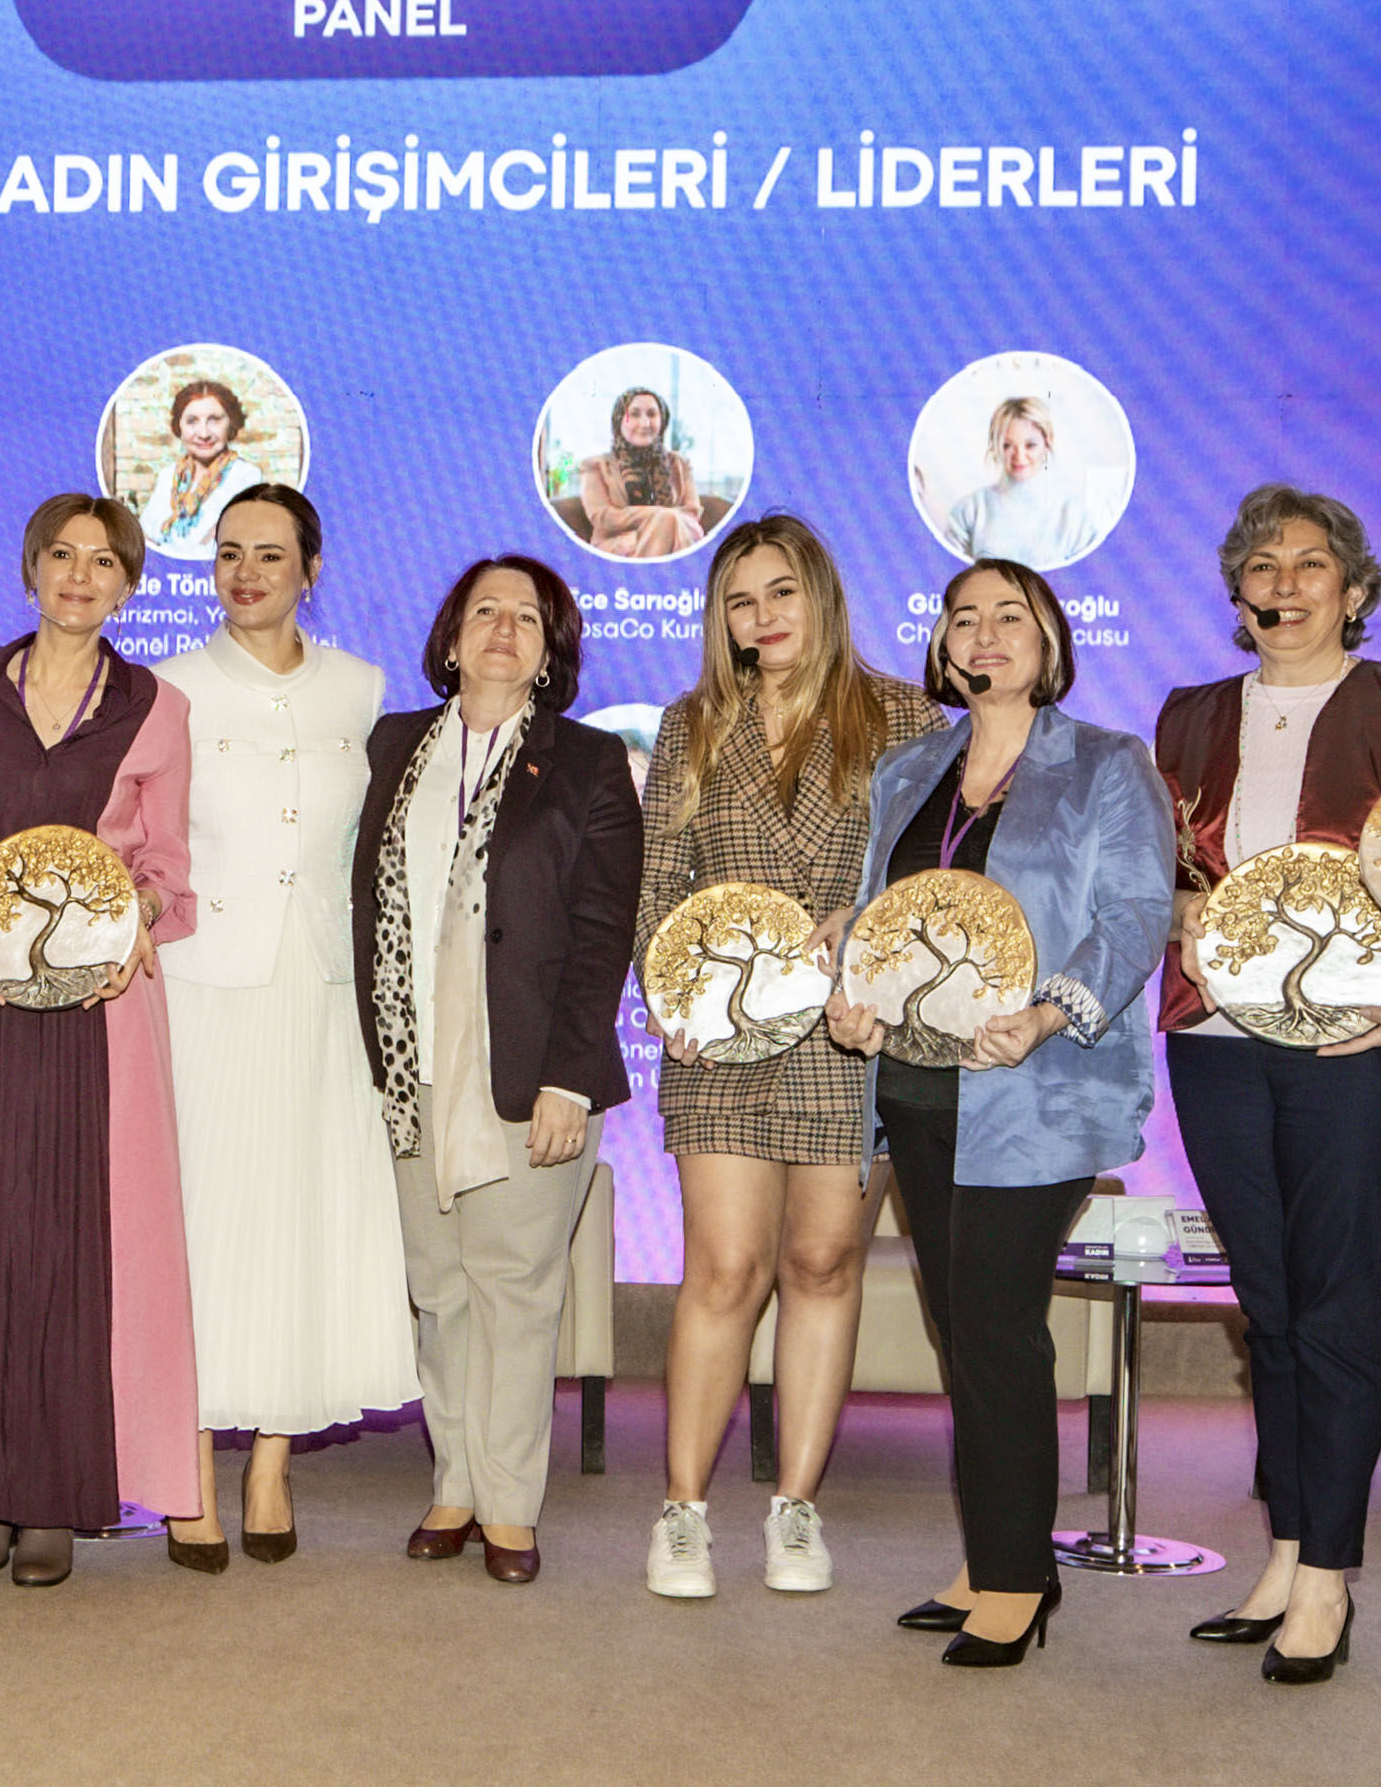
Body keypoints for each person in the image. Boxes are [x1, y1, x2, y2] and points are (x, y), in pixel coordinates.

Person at [1152, 486, 1381, 1683]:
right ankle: (1287, 1551)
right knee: (1270, 1308)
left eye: (1309, 565)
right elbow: (1153, 873)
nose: (1282, 585)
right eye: (1261, 567)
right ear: (1237, 592)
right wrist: (1178, 912)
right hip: (1214, 1038)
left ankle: (1330, 1575)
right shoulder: (1186, 715)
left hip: (1359, 1048)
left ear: (1353, 589)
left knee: (1336, 1304)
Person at [826, 558, 1172, 1665]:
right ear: (942, 647)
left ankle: (1019, 1582)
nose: (984, 635)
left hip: (1038, 1089)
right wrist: (855, 999)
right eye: (963, 618)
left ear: (1049, 640)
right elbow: (882, 921)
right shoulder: (908, 768)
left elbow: (1134, 915)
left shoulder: (1107, 764)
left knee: (995, 1327)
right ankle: (992, 1556)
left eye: (1008, 616)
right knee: (963, 1331)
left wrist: (1046, 1013)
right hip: (917, 1088)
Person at [0, 494, 199, 1588]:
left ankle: (54, 1494)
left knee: (70, 1240)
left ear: (129, 585)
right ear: (30, 569)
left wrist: (136, 918)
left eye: (103, 561)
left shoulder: (155, 706)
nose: (79, 575)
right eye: (61, 554)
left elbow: (164, 867)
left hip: (95, 1008)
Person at [636, 513, 943, 1599]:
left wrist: (869, 928)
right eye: (740, 601)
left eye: (781, 593)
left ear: (822, 595)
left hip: (852, 1034)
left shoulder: (905, 717)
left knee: (823, 1265)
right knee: (725, 1269)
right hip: (722, 1034)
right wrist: (668, 994)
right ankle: (681, 1512)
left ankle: (796, 1509)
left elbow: (933, 876)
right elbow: (657, 882)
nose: (762, 617)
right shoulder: (690, 726)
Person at [358, 555, 642, 1585]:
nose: (504, 629)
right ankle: (455, 1486)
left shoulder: (590, 762)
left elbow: (603, 931)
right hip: (413, 1068)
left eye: (528, 616)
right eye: (486, 610)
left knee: (514, 1290)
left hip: (532, 1074)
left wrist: (572, 1077)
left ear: (550, 651)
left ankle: (509, 1504)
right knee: (439, 1290)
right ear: (450, 637)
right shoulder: (392, 746)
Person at [155, 486, 417, 1570]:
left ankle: (270, 1461)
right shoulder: (167, 686)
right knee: (204, 1225)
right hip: (201, 986)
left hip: (319, 989)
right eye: (228, 553)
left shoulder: (361, 688)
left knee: (300, 1221)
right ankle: (183, 1466)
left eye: (270, 554)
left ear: (312, 569)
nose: (246, 573)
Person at [936, 393, 1102, 569]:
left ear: (1048, 442)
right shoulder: (969, 511)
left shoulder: (1073, 516)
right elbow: (948, 573)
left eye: (1030, 445)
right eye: (1007, 446)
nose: (1019, 457)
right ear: (994, 445)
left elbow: (1090, 576)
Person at [575, 387, 709, 562]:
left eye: (652, 414)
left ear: (662, 422)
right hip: (618, 548)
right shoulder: (595, 466)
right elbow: (603, 518)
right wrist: (659, 518)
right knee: (668, 519)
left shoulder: (680, 463)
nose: (645, 423)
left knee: (669, 522)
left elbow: (691, 512)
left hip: (675, 540)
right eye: (634, 414)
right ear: (619, 420)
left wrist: (658, 527)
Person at [140, 377, 266, 561]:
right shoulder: (168, 476)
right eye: (192, 421)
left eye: (214, 420)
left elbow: (215, 546)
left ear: (231, 424)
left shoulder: (245, 477)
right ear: (179, 426)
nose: (204, 433)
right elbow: (145, 538)